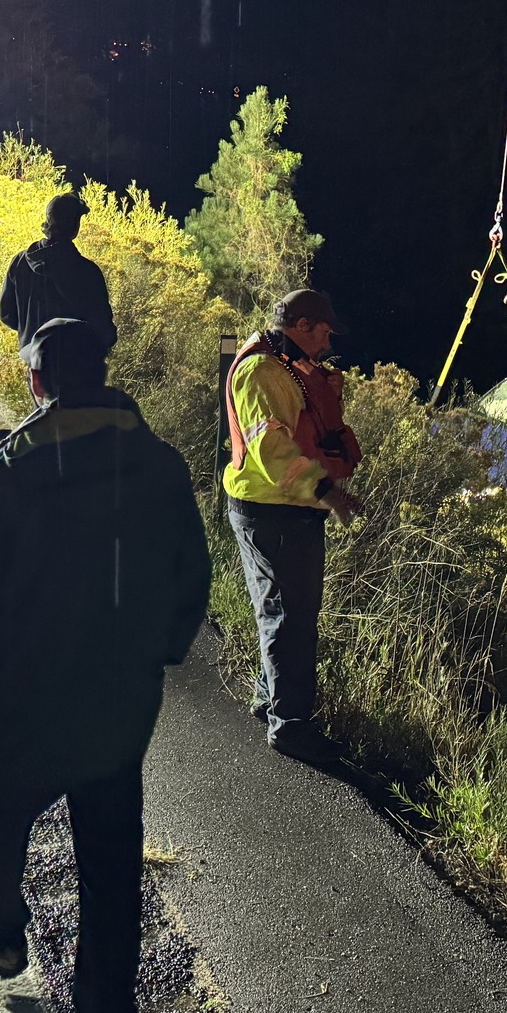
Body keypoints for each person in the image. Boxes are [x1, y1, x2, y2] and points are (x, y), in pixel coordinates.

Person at [0, 318, 209, 1013]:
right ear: (104, 375)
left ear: (37, 383)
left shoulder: (12, 470)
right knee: (110, 865)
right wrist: (156, 652)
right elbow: (191, 583)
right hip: (117, 711)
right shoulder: (161, 464)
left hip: (19, 704)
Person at [221, 288, 363, 763]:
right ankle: (292, 727)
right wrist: (327, 493)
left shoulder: (278, 362)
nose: (327, 340)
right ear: (301, 325)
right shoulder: (263, 371)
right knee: (292, 620)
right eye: (323, 330)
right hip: (275, 511)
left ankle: (269, 699)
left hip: (272, 508)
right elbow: (272, 454)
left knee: (279, 611)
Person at [0, 191, 117, 352]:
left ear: (48, 222)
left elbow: (7, 315)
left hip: (35, 363)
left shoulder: (20, 263)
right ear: (75, 226)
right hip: (74, 367)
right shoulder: (88, 272)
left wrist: (33, 334)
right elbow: (104, 331)